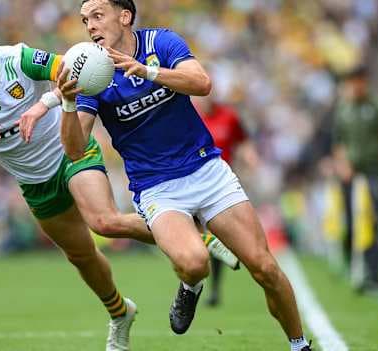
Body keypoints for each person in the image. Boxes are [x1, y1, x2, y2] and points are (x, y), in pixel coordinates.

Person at [0, 13, 233, 351]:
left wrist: (42, 104)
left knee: (105, 221)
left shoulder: (18, 60)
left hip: (72, 151)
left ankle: (200, 238)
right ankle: (120, 314)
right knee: (81, 255)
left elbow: (74, 69)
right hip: (34, 182)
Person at [57, 1, 312, 350]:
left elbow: (202, 83)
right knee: (194, 263)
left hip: (206, 169)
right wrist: (69, 105)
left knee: (265, 268)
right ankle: (190, 286)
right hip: (157, 187)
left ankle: (300, 346)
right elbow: (74, 149)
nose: (90, 26)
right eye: (85, 20)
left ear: (125, 16)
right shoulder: (93, 74)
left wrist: (147, 72)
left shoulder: (160, 44)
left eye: (98, 16)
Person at [332, 65, 378, 293]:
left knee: (370, 222)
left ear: (365, 81)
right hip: (351, 175)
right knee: (352, 222)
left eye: (359, 81)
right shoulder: (344, 110)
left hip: (373, 171)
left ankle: (373, 275)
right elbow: (339, 142)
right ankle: (353, 267)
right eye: (353, 82)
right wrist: (343, 164)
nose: (356, 86)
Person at [194, 95, 259, 306]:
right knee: (190, 233)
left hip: (220, 186)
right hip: (192, 183)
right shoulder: (190, 114)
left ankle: (213, 290)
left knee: (217, 236)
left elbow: (243, 140)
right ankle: (194, 284)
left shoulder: (229, 116)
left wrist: (250, 157)